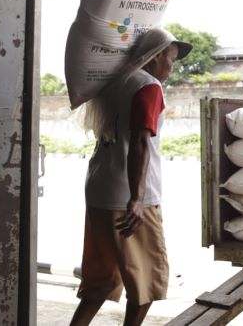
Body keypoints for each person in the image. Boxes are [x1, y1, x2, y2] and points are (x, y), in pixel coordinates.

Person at [70, 27, 192, 326]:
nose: (171, 67)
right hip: (129, 195)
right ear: (155, 57)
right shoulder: (147, 86)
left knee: (101, 278)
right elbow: (140, 143)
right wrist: (137, 199)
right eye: (170, 58)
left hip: (100, 189)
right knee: (147, 278)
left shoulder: (115, 83)